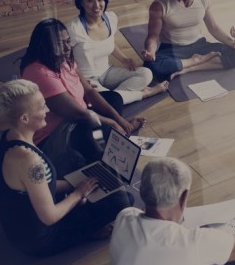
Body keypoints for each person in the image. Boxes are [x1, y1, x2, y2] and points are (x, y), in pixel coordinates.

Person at [0, 79, 133, 256]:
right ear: (24, 118)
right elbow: (49, 216)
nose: (47, 110)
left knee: (105, 192)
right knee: (122, 202)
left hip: (18, 228)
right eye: (42, 107)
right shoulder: (29, 160)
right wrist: (78, 193)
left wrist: (77, 183)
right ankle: (87, 234)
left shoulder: (4, 138)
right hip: (41, 239)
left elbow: (35, 185)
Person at [20, 18, 145, 177]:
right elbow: (78, 113)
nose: (67, 48)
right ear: (45, 46)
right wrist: (112, 121)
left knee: (113, 98)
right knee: (92, 128)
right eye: (60, 44)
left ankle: (114, 137)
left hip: (75, 119)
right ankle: (103, 162)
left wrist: (119, 120)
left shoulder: (64, 60)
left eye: (68, 42)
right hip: (51, 136)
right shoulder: (38, 72)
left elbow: (90, 92)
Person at [68, 0, 168, 105]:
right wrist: (79, 81)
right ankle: (145, 93)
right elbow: (64, 60)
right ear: (81, 3)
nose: (96, 5)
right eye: (90, 0)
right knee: (99, 99)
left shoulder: (110, 18)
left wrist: (124, 59)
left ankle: (113, 98)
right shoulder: (73, 28)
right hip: (87, 79)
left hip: (108, 72)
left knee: (146, 74)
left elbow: (110, 42)